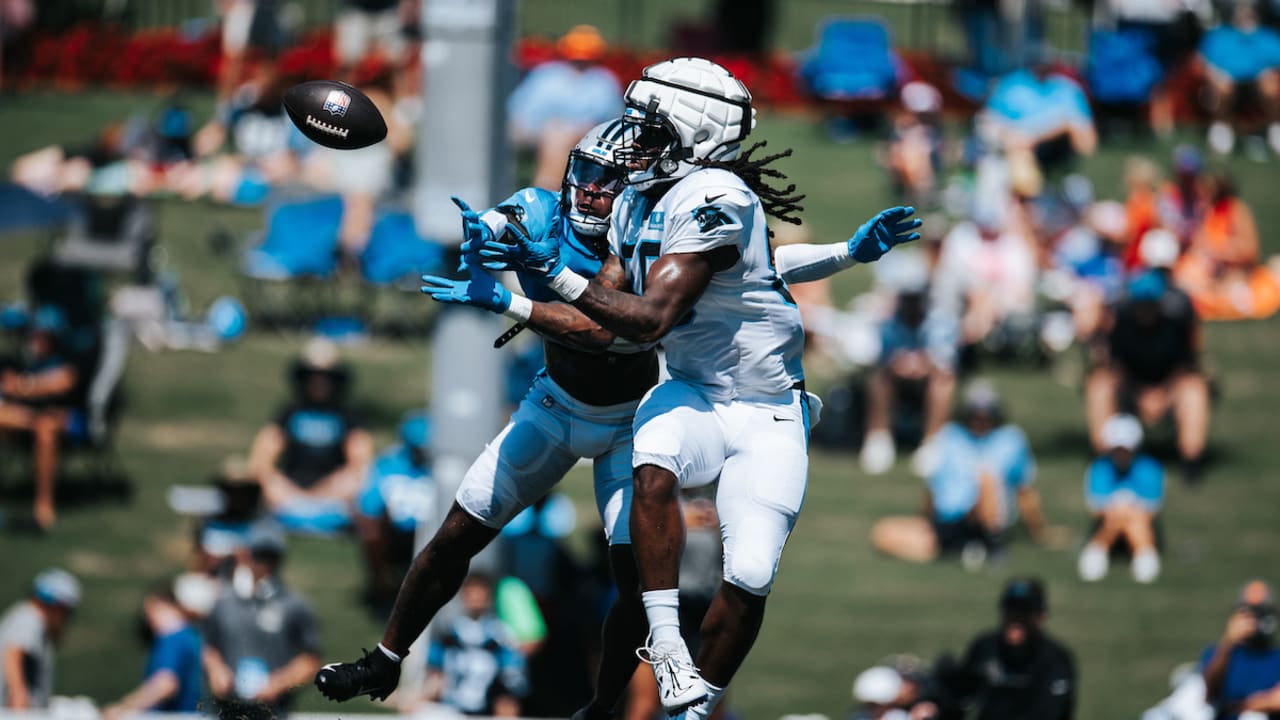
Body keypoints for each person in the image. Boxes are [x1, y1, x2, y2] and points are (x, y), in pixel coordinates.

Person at [484, 57, 919, 716]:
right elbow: (613, 301)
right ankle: (667, 648)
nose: (633, 137)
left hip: (768, 410)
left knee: (748, 577)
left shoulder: (718, 197)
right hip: (694, 390)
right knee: (652, 457)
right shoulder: (641, 197)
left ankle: (692, 706)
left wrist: (547, 275)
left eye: (649, 124)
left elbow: (654, 314)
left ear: (694, 133)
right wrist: (527, 286)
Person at [870, 380, 1055, 568]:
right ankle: (957, 548)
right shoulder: (950, 436)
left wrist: (1038, 531)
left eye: (986, 417)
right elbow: (933, 488)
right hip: (947, 520)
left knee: (985, 478)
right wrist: (925, 521)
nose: (980, 423)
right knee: (882, 533)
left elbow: (1024, 490)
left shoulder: (1011, 440)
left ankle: (990, 545)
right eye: (975, 416)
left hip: (982, 517)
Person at [1085, 267, 1210, 484]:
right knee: (1099, 385)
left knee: (1194, 390)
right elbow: (1115, 366)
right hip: (1132, 388)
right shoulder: (1121, 324)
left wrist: (1162, 394)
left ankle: (1191, 459)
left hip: (1170, 388)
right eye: (1140, 303)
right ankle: (1104, 457)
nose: (1144, 309)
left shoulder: (1176, 325)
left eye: (1149, 303)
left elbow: (1186, 367)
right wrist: (1141, 393)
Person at [248, 338, 373, 533]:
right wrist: (287, 491)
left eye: (325, 376)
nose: (319, 382)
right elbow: (261, 459)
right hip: (289, 492)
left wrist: (327, 490)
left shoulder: (348, 415)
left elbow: (361, 463)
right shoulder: (289, 412)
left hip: (333, 494)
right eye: (313, 376)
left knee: (354, 481)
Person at [203, 524, 322, 714]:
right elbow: (209, 647)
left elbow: (310, 659)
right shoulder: (224, 603)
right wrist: (217, 672)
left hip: (272, 711)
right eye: (259, 556)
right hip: (224, 709)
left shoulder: (294, 605)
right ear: (246, 555)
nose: (264, 564)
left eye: (271, 557)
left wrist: (280, 683)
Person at [859, 252, 959, 477]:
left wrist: (923, 365)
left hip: (928, 379)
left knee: (943, 382)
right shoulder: (889, 320)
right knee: (878, 378)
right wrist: (896, 363)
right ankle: (878, 437)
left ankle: (933, 442)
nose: (911, 302)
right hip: (896, 379)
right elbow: (881, 354)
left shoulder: (941, 319)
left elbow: (945, 360)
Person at [936, 577, 1075, 720]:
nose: (1016, 618)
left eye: (1024, 610)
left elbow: (1054, 712)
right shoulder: (985, 648)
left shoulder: (1055, 659)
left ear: (1041, 617)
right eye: (1011, 608)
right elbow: (960, 695)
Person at [507, 25, 623, 190]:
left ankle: (544, 195)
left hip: (586, 138)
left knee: (560, 136)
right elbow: (520, 114)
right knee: (556, 135)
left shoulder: (603, 81)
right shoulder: (547, 74)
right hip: (537, 134)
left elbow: (612, 122)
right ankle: (549, 192)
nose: (580, 62)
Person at [0, 306, 80, 530]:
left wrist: (24, 386)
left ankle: (44, 505)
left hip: (61, 427)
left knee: (46, 429)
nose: (37, 340)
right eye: (35, 334)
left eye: (43, 336)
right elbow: (9, 384)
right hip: (26, 420)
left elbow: (63, 381)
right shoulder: (21, 358)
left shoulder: (64, 360)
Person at [416, 573, 528, 716]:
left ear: (489, 596)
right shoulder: (449, 632)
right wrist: (418, 698)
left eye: (480, 592)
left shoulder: (501, 635)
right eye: (471, 592)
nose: (476, 598)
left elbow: (511, 683)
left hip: (487, 712)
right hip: (452, 709)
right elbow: (435, 676)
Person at [1174, 170, 1280, 321]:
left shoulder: (1237, 211)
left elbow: (1249, 250)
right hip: (1212, 276)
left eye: (1207, 190)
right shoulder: (1208, 212)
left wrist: (1219, 252)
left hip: (1236, 275)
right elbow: (1200, 243)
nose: (1202, 194)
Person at [355, 411, 436, 606]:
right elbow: (368, 506)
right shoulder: (387, 465)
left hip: (433, 533)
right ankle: (382, 588)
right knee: (371, 529)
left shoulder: (441, 466)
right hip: (397, 535)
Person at [1077, 413, 1165, 583]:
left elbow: (1152, 510)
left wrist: (1125, 509)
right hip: (1112, 519)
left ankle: (1097, 551)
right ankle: (1144, 555)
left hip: (1137, 521)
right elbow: (1095, 509)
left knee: (1134, 519)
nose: (1122, 454)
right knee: (1121, 514)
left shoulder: (1150, 468)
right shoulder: (1099, 468)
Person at [101, 583, 203, 719]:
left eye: (148, 612)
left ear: (158, 605)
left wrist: (124, 707)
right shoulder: (191, 636)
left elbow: (166, 683)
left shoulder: (172, 637)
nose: (148, 621)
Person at [1198, 0, 1280, 155]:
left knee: (1271, 85)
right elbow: (1202, 65)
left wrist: (1270, 74)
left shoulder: (1269, 36)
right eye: (1241, 10)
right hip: (1226, 84)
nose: (1246, 14)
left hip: (1258, 84)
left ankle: (1276, 127)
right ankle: (1221, 127)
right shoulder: (1218, 36)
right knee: (1221, 87)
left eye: (1250, 10)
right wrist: (1216, 76)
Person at [0, 569, 80, 709]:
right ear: (59, 607)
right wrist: (19, 695)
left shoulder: (26, 617)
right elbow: (13, 653)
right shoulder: (30, 619)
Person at [1200, 580, 1280, 719]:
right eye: (1248, 614)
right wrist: (1228, 641)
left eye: (1261, 612)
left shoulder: (1276, 658)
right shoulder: (1220, 654)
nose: (1254, 621)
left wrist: (1243, 706)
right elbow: (1206, 692)